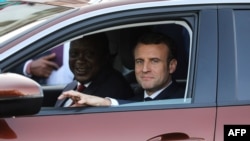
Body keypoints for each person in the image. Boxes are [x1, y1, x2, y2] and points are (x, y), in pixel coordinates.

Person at [57, 32, 185, 107]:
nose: (145, 69)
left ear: (171, 66)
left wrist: (106, 102)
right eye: (139, 61)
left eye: (154, 61)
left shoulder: (187, 101)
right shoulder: (133, 100)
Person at [55, 32, 134, 107]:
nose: (80, 61)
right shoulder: (73, 85)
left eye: (88, 55)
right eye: (74, 54)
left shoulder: (115, 90)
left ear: (104, 57)